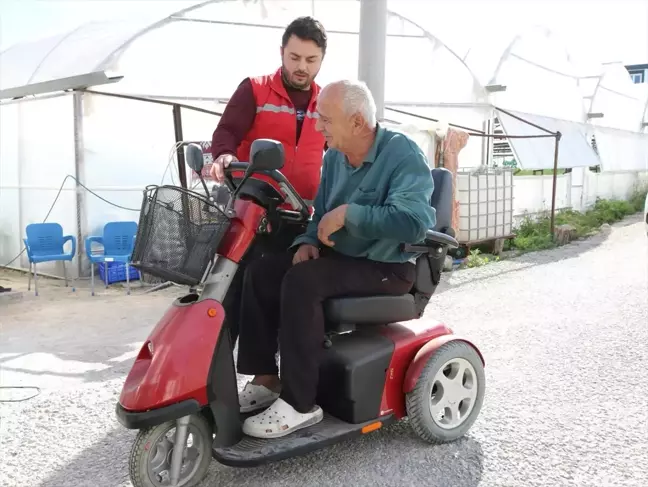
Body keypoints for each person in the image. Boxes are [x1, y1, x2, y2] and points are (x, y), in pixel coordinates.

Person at [235, 80, 437, 439]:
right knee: (263, 270)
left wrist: (350, 214)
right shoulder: (334, 158)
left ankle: (300, 404)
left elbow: (415, 223)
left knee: (303, 282)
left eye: (326, 120)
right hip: (341, 258)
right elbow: (319, 214)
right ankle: (266, 377)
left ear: (358, 122)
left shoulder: (403, 155)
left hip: (387, 267)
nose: (317, 126)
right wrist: (308, 240)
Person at [209, 16, 328, 344]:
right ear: (281, 52)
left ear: (321, 60)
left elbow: (340, 151)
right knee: (233, 294)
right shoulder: (255, 89)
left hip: (302, 218)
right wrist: (224, 154)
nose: (301, 67)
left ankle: (270, 369)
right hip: (255, 216)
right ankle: (214, 369)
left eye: (311, 60)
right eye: (294, 58)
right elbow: (227, 131)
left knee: (280, 297)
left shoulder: (327, 102)